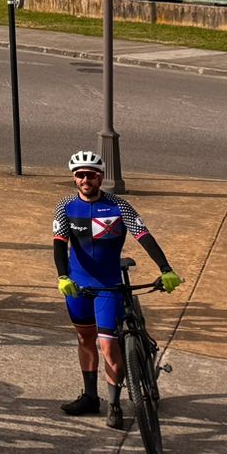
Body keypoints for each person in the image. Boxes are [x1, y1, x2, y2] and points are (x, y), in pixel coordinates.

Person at [53, 151, 182, 429]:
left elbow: (144, 236)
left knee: (109, 346)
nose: (85, 179)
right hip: (78, 286)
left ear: (100, 177)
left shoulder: (119, 206)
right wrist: (62, 275)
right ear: (74, 178)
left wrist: (165, 268)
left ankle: (114, 404)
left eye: (91, 175)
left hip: (108, 285)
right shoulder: (65, 207)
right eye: (80, 175)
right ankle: (90, 397)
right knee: (84, 339)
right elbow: (59, 246)